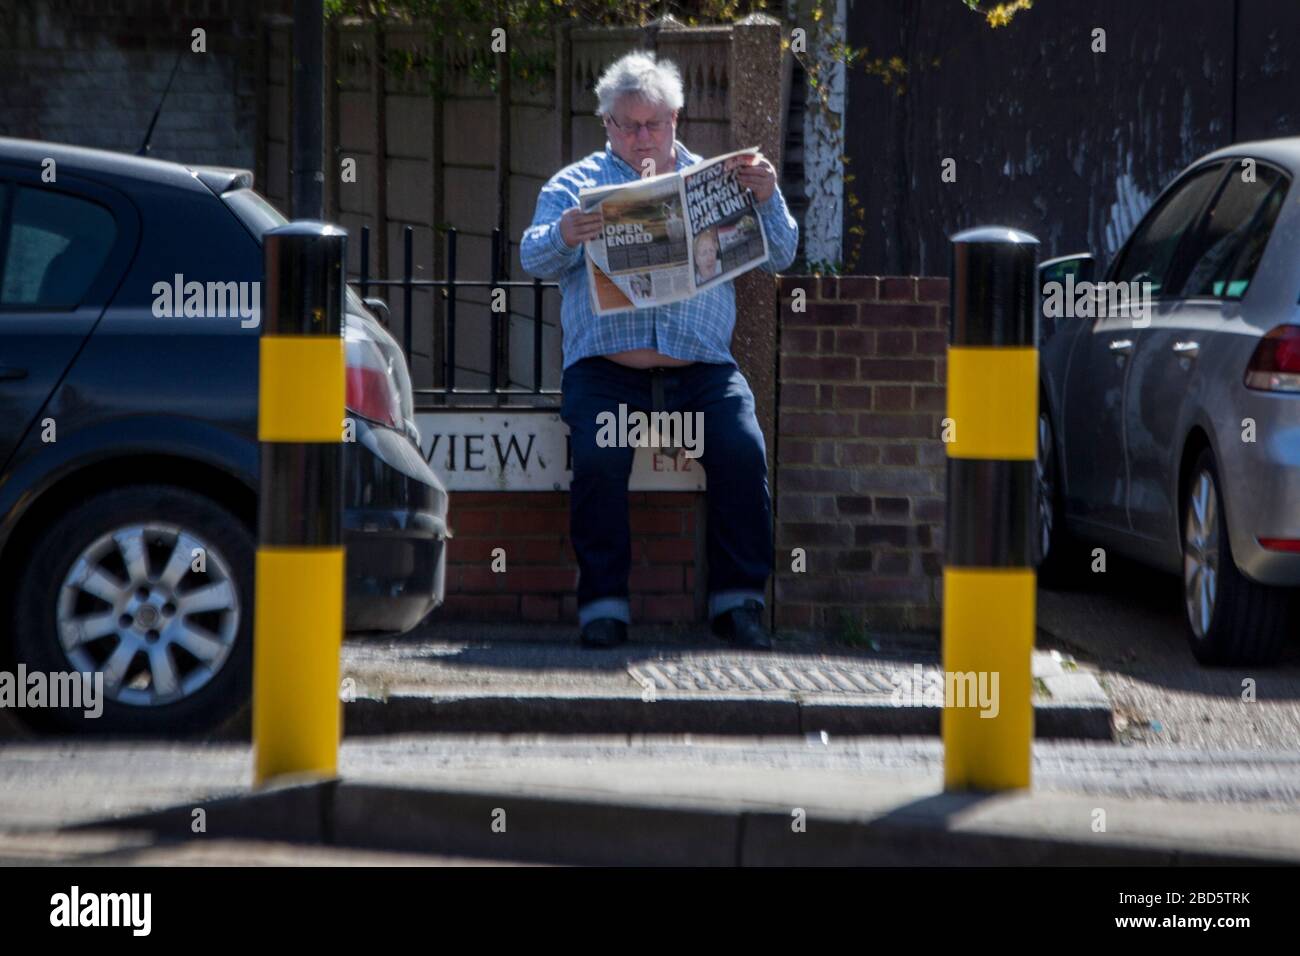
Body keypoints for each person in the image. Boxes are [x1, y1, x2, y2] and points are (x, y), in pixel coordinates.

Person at [520, 51, 798, 649]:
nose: (642, 136)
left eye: (654, 123)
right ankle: (604, 607)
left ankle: (738, 603)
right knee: (597, 460)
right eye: (628, 125)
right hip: (607, 372)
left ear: (678, 118)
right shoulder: (577, 185)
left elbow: (782, 255)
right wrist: (565, 233)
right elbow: (532, 257)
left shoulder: (720, 179)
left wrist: (770, 197)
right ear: (607, 125)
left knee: (743, 450)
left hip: (701, 371)